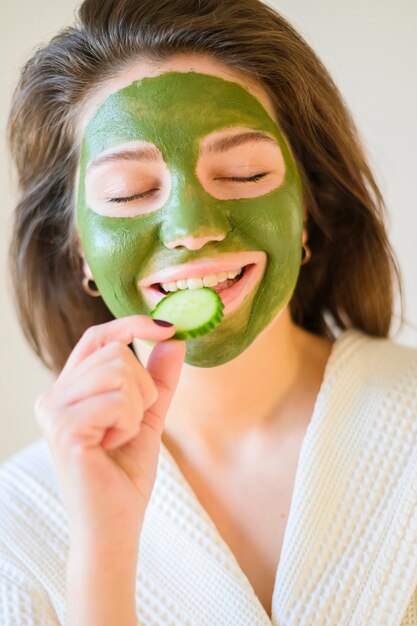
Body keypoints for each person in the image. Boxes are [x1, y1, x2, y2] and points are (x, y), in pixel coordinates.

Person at [1, 0, 417, 624]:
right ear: (80, 247)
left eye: (244, 173)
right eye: (130, 192)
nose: (192, 228)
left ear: (307, 208)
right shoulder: (19, 525)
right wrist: (103, 555)